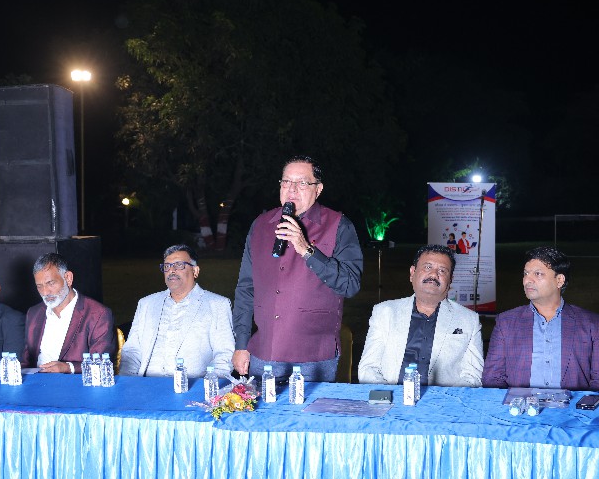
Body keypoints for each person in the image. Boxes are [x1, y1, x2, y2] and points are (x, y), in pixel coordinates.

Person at [232, 155, 363, 382]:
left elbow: (350, 285)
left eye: (302, 183)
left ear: (318, 189)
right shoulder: (261, 225)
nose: (291, 189)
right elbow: (245, 288)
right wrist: (241, 343)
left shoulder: (339, 225)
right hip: (263, 353)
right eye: (286, 182)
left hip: (314, 358)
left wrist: (306, 250)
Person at [482, 246, 599, 390]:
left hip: (572, 404)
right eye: (526, 273)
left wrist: (583, 403)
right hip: (519, 404)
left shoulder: (591, 324)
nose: (527, 280)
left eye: (538, 274)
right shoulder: (506, 322)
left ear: (559, 280)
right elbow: (492, 377)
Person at [359, 245, 483, 386]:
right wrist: (390, 395)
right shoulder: (385, 312)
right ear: (412, 273)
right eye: (428, 267)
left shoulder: (469, 320)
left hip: (444, 398)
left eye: (442, 271)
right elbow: (368, 368)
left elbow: (473, 377)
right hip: (392, 395)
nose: (434, 275)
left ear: (450, 280)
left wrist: (442, 398)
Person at [120, 245, 234, 378]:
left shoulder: (217, 305)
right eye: (167, 266)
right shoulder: (146, 304)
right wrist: (128, 383)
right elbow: (132, 351)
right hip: (146, 384)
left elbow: (225, 355)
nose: (172, 270)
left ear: (195, 271)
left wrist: (208, 385)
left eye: (179, 265)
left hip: (192, 385)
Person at [23, 253, 115, 374]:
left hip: (76, 383)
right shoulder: (34, 313)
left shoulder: (98, 314)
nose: (45, 292)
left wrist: (68, 368)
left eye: (50, 283)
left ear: (68, 278)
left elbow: (102, 363)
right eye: (39, 286)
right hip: (36, 381)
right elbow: (27, 360)